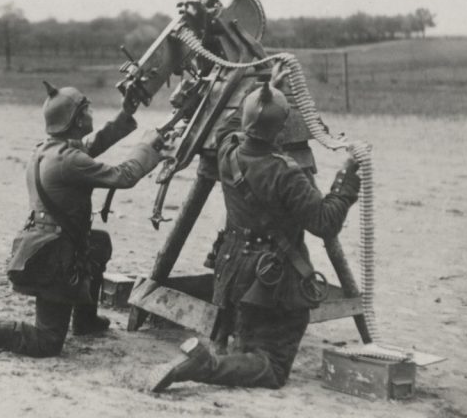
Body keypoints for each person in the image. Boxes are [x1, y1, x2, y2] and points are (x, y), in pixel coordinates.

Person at [150, 73, 361, 391]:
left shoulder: (227, 151)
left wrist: (254, 90)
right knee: (272, 367)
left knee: (248, 345)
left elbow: (226, 127)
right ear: (281, 129)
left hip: (235, 272)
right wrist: (346, 179)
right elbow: (325, 222)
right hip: (271, 281)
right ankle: (205, 365)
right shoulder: (284, 173)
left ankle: (226, 352)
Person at [0, 82, 169, 357]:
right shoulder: (69, 161)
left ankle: (85, 320)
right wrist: (147, 148)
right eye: (87, 110)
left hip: (49, 241)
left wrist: (126, 113)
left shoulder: (50, 150)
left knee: (98, 243)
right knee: (46, 341)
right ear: (77, 119)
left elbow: (92, 146)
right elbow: (124, 176)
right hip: (54, 256)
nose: (91, 114)